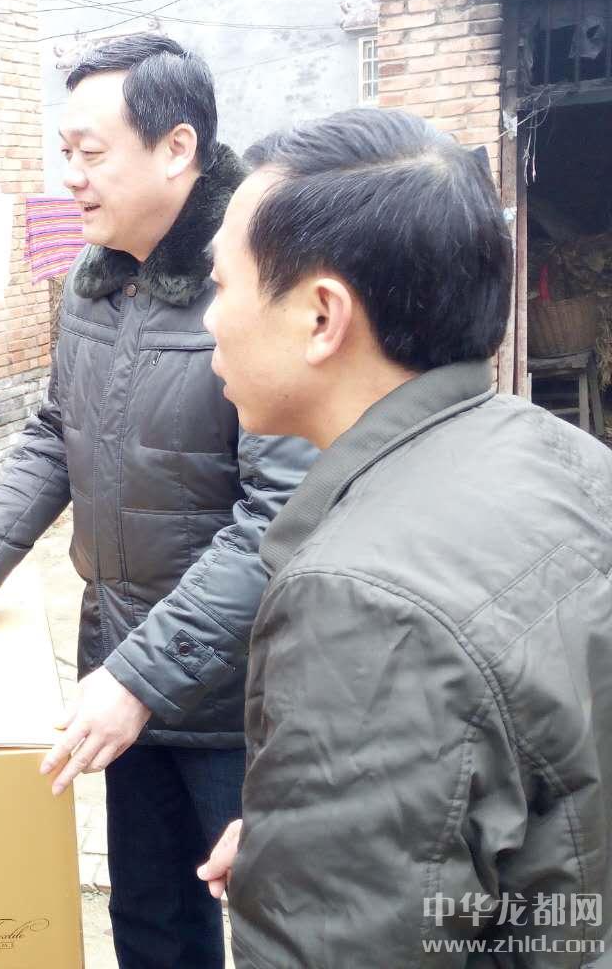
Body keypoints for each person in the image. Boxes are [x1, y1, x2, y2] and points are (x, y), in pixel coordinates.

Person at [0, 34, 314, 968]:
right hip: (122, 670)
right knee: (150, 919)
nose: (71, 176)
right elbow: (55, 428)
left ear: (177, 149)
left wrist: (139, 679)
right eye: (65, 152)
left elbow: (279, 519)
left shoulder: (257, 284)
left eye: (90, 152)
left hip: (240, 699)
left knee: (278, 925)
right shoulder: (92, 281)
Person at [195, 108, 612, 965]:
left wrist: (311, 879)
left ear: (322, 317)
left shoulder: (359, 601)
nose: (209, 320)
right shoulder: (569, 455)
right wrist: (306, 843)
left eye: (222, 284)